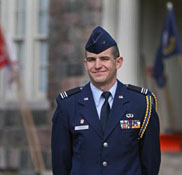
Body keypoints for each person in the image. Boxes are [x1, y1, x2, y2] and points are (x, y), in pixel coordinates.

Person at [51, 26, 161, 175]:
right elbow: (60, 165)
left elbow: (150, 164)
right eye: (91, 60)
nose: (97, 65)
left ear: (118, 62)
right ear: (85, 64)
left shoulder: (142, 103)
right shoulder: (68, 105)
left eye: (104, 59)